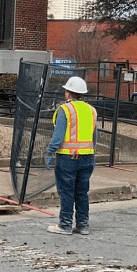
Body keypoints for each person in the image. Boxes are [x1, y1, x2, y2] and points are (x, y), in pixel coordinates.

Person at [46, 76, 97, 235]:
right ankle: (83, 225)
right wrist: (86, 151)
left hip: (68, 158)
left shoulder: (65, 110)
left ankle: (65, 225)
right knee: (82, 192)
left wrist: (50, 151)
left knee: (67, 192)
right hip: (88, 157)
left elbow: (58, 136)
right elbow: (94, 136)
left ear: (68, 93)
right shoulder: (91, 110)